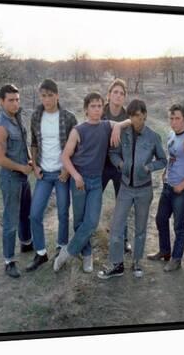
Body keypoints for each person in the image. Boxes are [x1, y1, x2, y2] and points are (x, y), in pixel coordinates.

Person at [54, 92, 130, 273]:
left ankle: (68, 251)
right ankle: (87, 255)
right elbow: (64, 156)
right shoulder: (78, 130)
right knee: (79, 221)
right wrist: (76, 176)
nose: (96, 109)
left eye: (99, 106)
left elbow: (129, 122)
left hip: (96, 181)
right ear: (86, 109)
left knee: (92, 222)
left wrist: (118, 125)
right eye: (92, 106)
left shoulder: (106, 126)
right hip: (79, 181)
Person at [97, 99, 167, 279]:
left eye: (140, 116)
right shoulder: (124, 133)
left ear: (144, 115)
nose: (137, 120)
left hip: (144, 190)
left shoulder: (153, 137)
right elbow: (113, 153)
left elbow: (162, 160)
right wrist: (120, 164)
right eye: (133, 116)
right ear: (129, 117)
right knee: (117, 227)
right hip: (126, 188)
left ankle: (137, 262)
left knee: (141, 228)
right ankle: (116, 264)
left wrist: (149, 167)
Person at [26, 79, 78, 272]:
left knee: (63, 213)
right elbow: (33, 143)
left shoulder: (68, 117)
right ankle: (40, 253)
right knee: (35, 214)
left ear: (57, 95)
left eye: (50, 95)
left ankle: (61, 247)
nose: (46, 99)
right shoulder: (36, 117)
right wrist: (35, 165)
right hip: (44, 173)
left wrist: (67, 169)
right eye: (43, 96)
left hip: (61, 173)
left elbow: (77, 146)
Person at [147, 104, 184, 272]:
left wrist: (182, 186)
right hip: (168, 186)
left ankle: (176, 259)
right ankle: (165, 251)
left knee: (179, 225)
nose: (174, 121)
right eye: (171, 118)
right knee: (160, 219)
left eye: (177, 118)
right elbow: (173, 157)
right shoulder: (171, 134)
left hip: (181, 190)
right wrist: (165, 172)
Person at [0, 84, 34, 278]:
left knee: (26, 213)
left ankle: (26, 243)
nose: (15, 103)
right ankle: (9, 261)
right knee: (10, 220)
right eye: (11, 100)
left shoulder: (17, 118)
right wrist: (21, 167)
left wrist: (30, 160)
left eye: (17, 99)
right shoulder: (0, 125)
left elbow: (22, 145)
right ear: (1, 101)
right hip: (11, 178)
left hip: (23, 176)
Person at [102, 79, 132, 254]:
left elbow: (136, 123)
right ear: (109, 95)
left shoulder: (128, 116)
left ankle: (124, 238)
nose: (118, 95)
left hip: (119, 166)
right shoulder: (100, 111)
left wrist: (121, 124)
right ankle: (86, 235)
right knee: (93, 200)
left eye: (122, 93)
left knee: (123, 203)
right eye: (115, 92)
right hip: (100, 165)